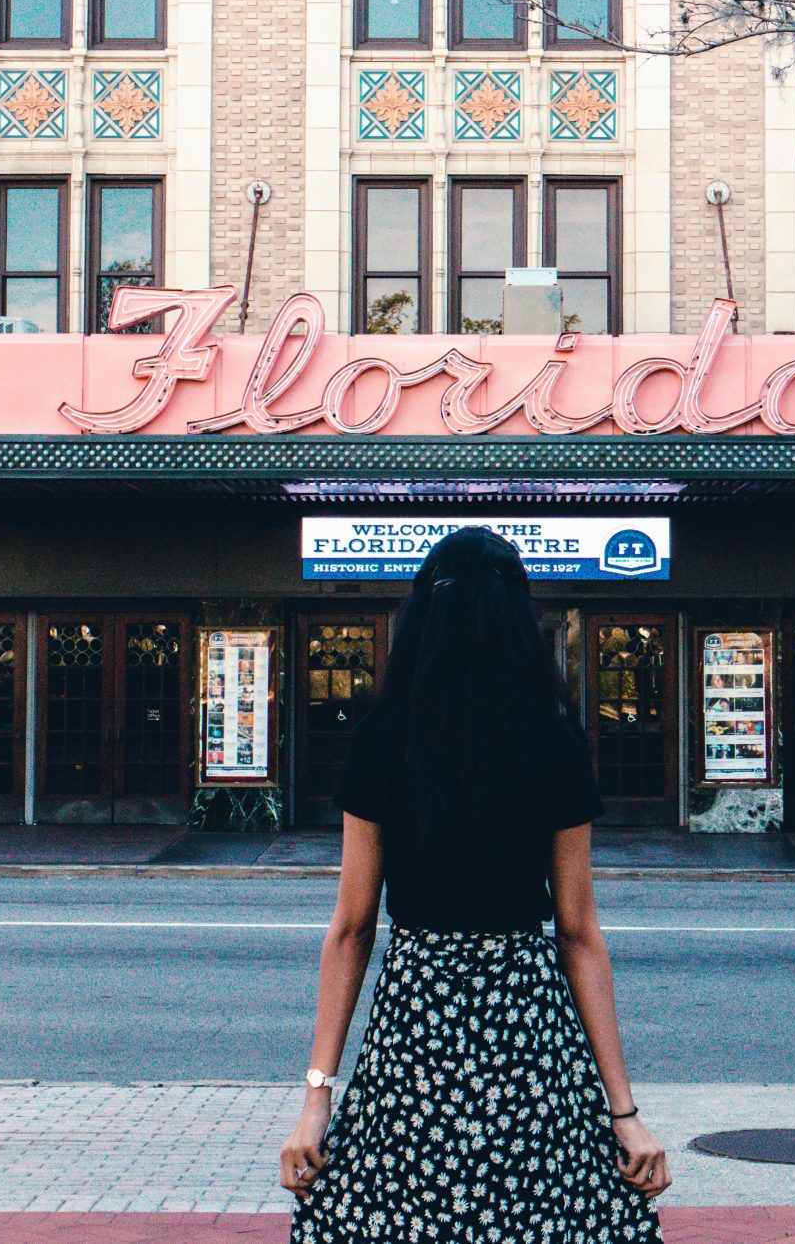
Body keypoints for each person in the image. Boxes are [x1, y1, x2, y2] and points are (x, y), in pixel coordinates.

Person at [279, 526, 670, 1242]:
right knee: (541, 1220)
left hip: (415, 1030)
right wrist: (624, 1111)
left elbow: (352, 927)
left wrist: (316, 1100)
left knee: (403, 1219)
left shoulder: (383, 738)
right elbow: (578, 932)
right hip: (525, 1027)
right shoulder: (554, 739)